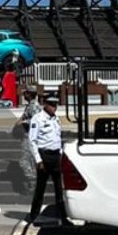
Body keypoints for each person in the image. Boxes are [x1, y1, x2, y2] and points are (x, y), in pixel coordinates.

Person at [26, 92, 67, 227]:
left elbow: (58, 138)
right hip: (44, 156)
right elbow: (32, 140)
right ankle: (34, 215)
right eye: (51, 104)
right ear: (45, 104)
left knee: (59, 189)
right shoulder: (37, 119)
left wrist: (60, 154)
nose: (54, 107)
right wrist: (38, 160)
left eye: (55, 104)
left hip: (55, 156)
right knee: (40, 188)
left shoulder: (56, 119)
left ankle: (63, 216)